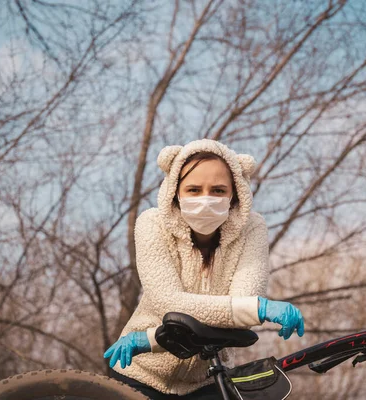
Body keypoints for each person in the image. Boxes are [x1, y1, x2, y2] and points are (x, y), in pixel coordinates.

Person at [104, 139, 304, 399]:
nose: (206, 199)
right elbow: (168, 303)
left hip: (206, 380)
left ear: (235, 194)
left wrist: (152, 338)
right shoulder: (152, 223)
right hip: (139, 371)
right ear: (175, 192)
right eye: (194, 189)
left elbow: (243, 306)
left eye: (219, 190)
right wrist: (257, 308)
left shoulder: (252, 228)